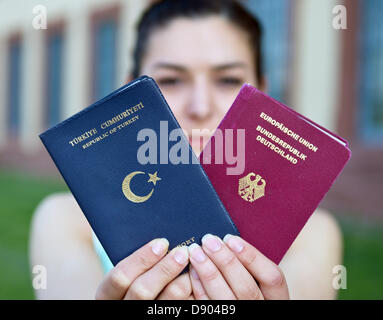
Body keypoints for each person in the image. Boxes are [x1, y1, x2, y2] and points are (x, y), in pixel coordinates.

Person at [29, 0, 342, 300]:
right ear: (129, 90)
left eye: (228, 79)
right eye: (171, 79)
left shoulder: (314, 234)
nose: (200, 106)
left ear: (261, 90)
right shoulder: (65, 219)